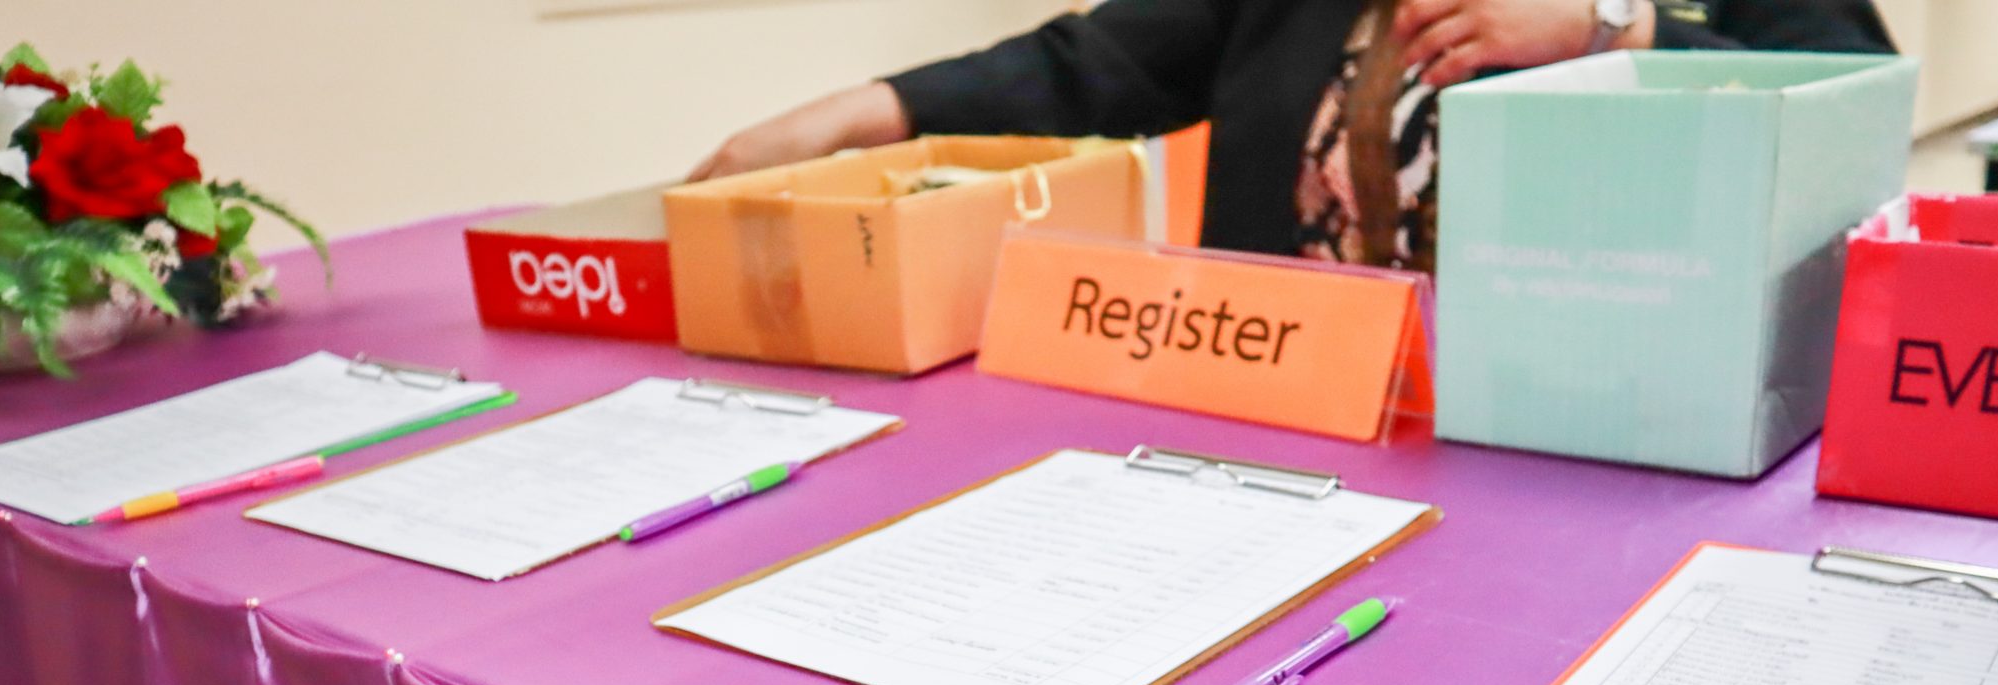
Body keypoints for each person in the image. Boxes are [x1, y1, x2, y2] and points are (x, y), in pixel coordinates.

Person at [691, 0, 1894, 269]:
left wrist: (1613, 29)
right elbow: (1091, 66)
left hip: (1598, 453)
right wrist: (849, 117)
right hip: (1303, 425)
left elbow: (1851, 100)